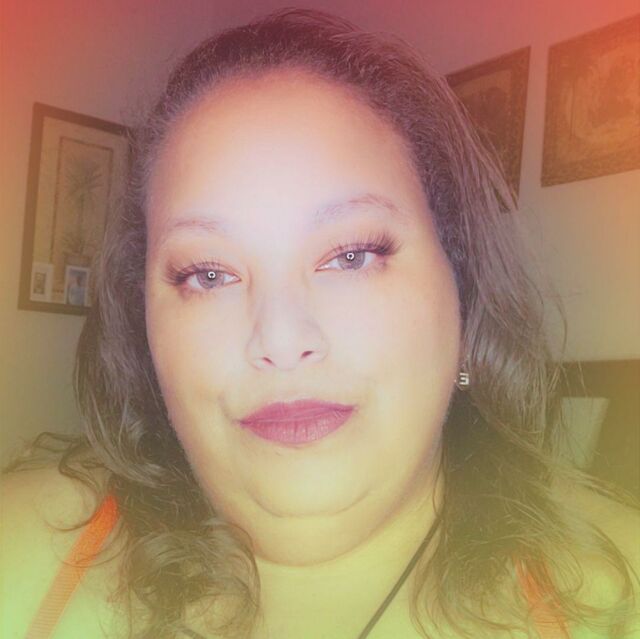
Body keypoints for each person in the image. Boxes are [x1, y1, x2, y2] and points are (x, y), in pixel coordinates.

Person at [1, 8, 638, 639]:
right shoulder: (21, 546)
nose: (281, 341)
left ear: (462, 288)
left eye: (351, 256)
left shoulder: (617, 593)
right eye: (209, 274)